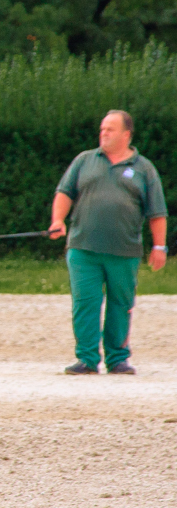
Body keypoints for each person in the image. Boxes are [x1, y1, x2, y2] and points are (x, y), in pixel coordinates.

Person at [49, 110, 168, 375]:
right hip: (83, 247)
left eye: (110, 129)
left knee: (120, 304)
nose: (104, 133)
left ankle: (118, 358)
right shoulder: (84, 161)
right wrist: (58, 220)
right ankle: (87, 359)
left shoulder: (143, 168)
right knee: (85, 303)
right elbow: (65, 192)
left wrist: (159, 246)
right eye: (102, 128)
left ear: (127, 134)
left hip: (124, 251)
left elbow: (157, 212)